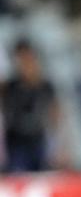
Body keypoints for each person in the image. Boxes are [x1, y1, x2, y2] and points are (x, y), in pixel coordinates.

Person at [0, 39, 65, 173]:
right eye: (21, 60)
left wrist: (58, 146)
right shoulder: (11, 86)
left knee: (41, 179)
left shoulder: (45, 86)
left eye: (28, 59)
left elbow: (56, 115)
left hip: (38, 142)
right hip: (16, 143)